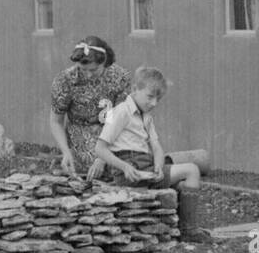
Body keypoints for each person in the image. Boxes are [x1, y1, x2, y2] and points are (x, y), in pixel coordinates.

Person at [93, 65, 210, 242]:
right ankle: (190, 231)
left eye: (158, 99)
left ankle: (183, 227)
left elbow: (156, 147)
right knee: (192, 170)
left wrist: (159, 165)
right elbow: (99, 149)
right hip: (129, 172)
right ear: (134, 89)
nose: (154, 103)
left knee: (181, 186)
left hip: (146, 168)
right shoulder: (118, 112)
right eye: (150, 96)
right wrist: (124, 166)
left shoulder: (147, 117)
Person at [49, 36, 131, 177]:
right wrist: (66, 151)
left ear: (104, 62)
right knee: (105, 166)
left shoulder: (120, 78)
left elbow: (120, 120)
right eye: (83, 69)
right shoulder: (65, 80)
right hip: (81, 133)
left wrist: (103, 157)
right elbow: (56, 121)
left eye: (93, 70)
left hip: (114, 130)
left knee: (136, 158)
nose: (88, 75)